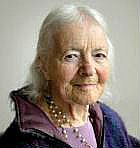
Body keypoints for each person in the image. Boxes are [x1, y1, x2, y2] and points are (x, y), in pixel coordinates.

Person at [0, 4, 139, 148]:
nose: (89, 70)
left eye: (99, 55)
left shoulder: (109, 120)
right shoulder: (24, 142)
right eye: (71, 56)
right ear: (44, 65)